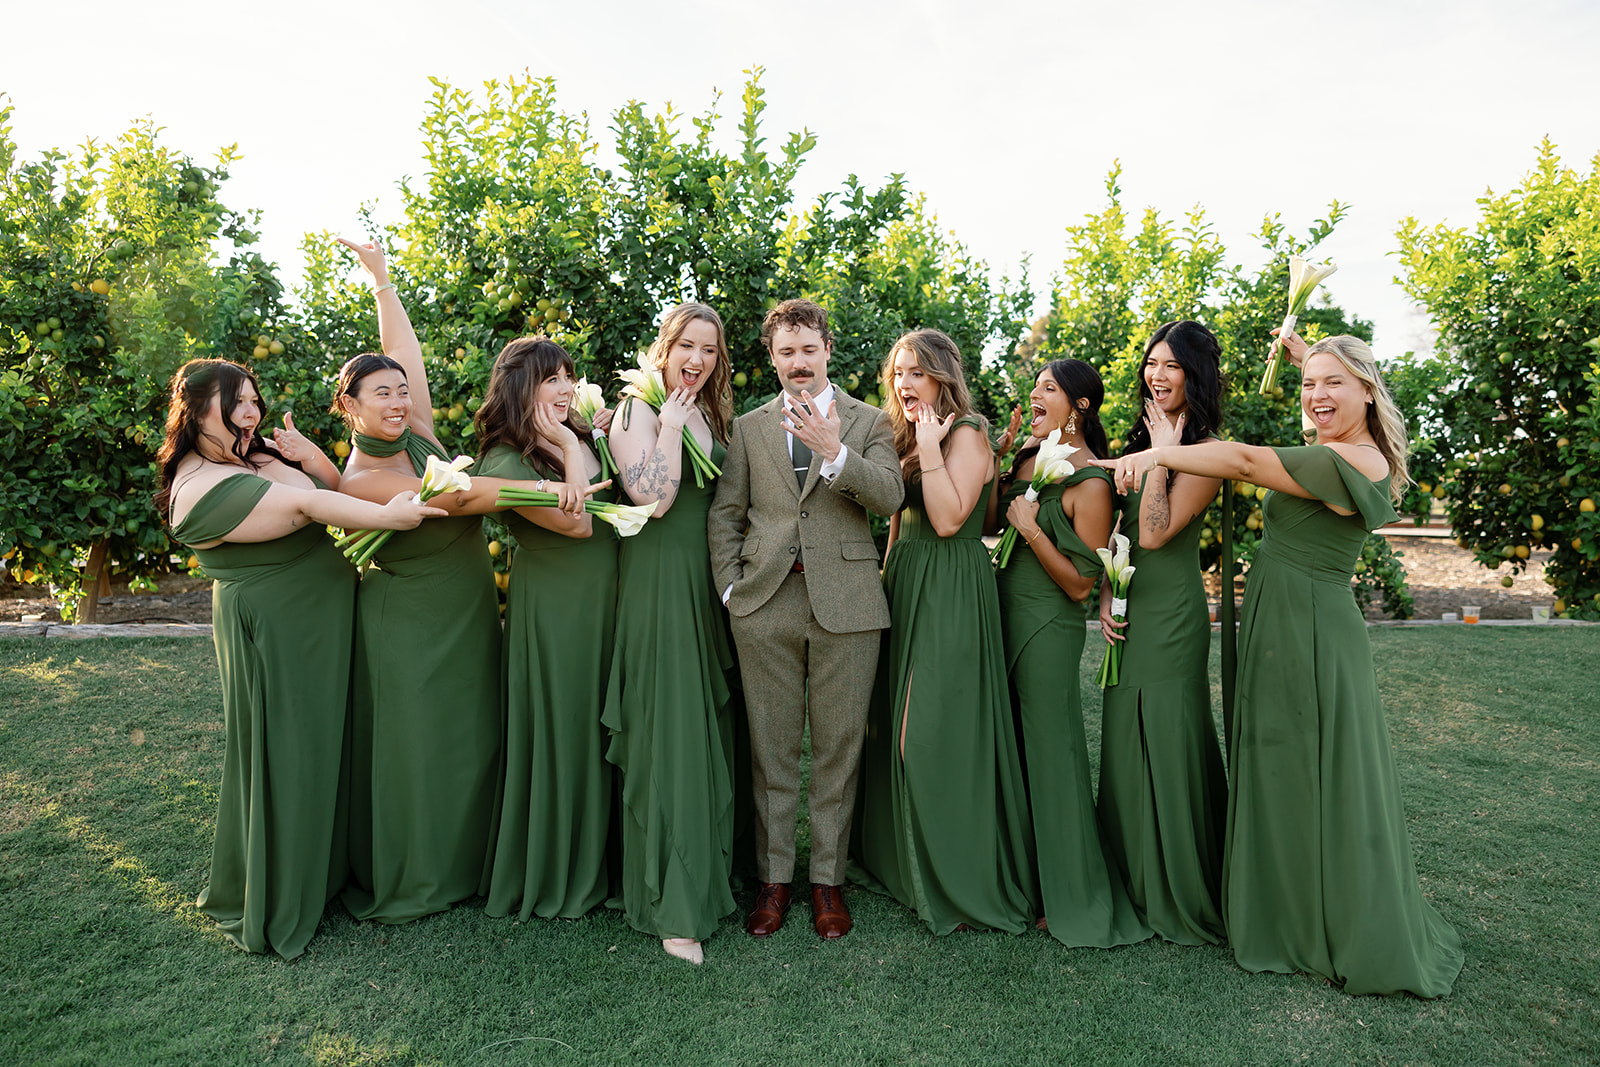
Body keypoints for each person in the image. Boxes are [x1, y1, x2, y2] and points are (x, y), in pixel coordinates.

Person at [1097, 332, 1464, 997]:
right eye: (1308, 385)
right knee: (1282, 764)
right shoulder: (1342, 444)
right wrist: (1307, 357)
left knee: (1306, 768)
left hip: (1309, 630)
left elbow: (1239, 457)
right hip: (1283, 618)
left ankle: (1318, 922)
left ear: (1368, 391)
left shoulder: (1353, 461)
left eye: (1334, 384)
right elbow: (1328, 392)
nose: (1317, 396)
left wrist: (1158, 450)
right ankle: (1286, 905)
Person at [330, 238, 592, 925]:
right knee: (420, 747)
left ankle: (473, 862)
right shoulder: (369, 475)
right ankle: (419, 874)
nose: (397, 398)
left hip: (468, 611)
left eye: (401, 390)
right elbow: (475, 496)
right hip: (409, 622)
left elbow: (404, 354)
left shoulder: (415, 431)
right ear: (349, 407)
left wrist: (382, 281)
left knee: (472, 740)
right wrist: (564, 481)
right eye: (380, 393)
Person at [156, 358, 444, 959]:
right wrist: (388, 516)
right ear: (195, 407)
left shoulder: (247, 456)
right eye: (236, 401)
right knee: (289, 750)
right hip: (280, 630)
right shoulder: (201, 483)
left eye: (254, 400)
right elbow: (308, 510)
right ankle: (284, 891)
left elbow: (321, 488)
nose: (250, 411)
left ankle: (329, 870)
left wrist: (310, 458)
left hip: (320, 623)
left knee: (326, 743)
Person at [708, 299, 904, 941]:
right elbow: (726, 514)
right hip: (764, 604)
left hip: (847, 605)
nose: (799, 362)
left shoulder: (869, 421)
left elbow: (890, 495)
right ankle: (773, 882)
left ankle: (827, 883)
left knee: (837, 751)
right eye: (787, 352)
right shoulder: (748, 427)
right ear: (773, 358)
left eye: (809, 350)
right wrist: (731, 588)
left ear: (827, 351)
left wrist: (836, 452)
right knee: (771, 750)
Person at [851, 328, 1034, 935]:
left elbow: (953, 517)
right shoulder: (906, 435)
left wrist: (930, 447)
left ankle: (957, 871)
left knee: (926, 734)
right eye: (899, 372)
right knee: (887, 725)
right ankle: (899, 863)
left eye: (917, 373)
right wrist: (881, 587)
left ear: (943, 378)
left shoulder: (967, 433)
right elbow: (902, 522)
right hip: (906, 581)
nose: (904, 384)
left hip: (952, 587)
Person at [990, 358, 1151, 948]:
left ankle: (1070, 892)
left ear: (1079, 407)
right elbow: (989, 518)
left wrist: (1032, 530)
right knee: (1007, 750)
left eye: (1048, 389)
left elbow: (1082, 585)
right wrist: (1003, 455)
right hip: (998, 614)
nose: (1034, 395)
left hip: (1047, 627)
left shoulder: (1092, 483)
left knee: (1052, 755)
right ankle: (1016, 881)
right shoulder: (1028, 460)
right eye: (1034, 386)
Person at [604, 302, 740, 965]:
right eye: (687, 345)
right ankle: (671, 907)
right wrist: (669, 426)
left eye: (709, 350)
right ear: (664, 347)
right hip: (658, 583)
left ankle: (707, 876)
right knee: (668, 735)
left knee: (703, 732)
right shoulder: (636, 410)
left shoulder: (712, 413)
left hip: (703, 583)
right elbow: (652, 499)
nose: (697, 359)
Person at [1096, 321, 1230, 945]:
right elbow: (1119, 538)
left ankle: (1178, 881)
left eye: (1172, 365)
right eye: (1152, 363)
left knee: (1168, 736)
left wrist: (1163, 454)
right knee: (1124, 735)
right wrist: (1106, 590)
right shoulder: (1141, 439)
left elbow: (1155, 532)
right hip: (1130, 608)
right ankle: (1124, 874)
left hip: (1174, 615)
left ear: (1195, 375)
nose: (1157, 374)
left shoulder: (1205, 452)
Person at [477, 337, 619, 921]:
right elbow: (579, 524)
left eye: (568, 378)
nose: (564, 390)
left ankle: (616, 857)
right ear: (520, 387)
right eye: (550, 380)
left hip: (610, 598)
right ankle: (567, 867)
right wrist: (567, 440)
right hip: (560, 609)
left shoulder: (578, 435)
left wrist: (597, 435)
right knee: (571, 728)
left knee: (608, 722)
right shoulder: (503, 461)